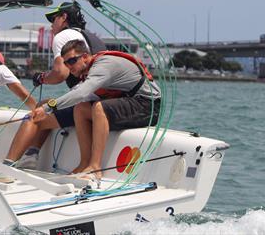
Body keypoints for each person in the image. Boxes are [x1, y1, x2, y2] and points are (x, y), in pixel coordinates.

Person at [14, 40, 161, 176]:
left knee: (98, 108)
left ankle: (95, 167)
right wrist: (46, 110)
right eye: (66, 63)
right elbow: (79, 98)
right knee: (82, 109)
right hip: (131, 102)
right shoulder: (90, 72)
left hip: (148, 105)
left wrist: (47, 108)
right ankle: (84, 163)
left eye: (72, 61)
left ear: (85, 57)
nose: (69, 67)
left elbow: (81, 92)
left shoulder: (103, 66)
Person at [32, 1, 107, 89]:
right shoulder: (88, 35)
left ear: (64, 17)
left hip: (87, 95)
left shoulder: (63, 35)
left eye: (53, 19)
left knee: (43, 103)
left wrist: (41, 78)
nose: (51, 25)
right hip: (104, 92)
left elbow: (60, 73)